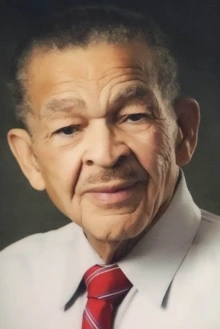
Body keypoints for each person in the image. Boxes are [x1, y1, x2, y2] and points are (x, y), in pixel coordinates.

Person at [0, 5, 220, 329]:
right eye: (68, 129)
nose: (104, 155)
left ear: (183, 131)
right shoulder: (9, 280)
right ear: (30, 159)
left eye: (134, 116)